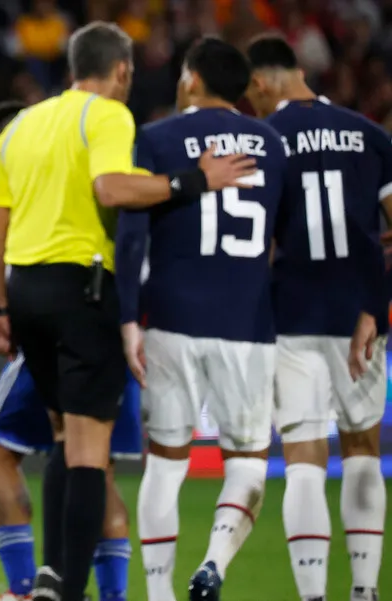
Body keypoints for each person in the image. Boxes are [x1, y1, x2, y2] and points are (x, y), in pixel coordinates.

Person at [0, 22, 254, 601]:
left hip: (24, 292)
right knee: (88, 452)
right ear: (122, 71)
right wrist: (193, 180)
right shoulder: (106, 115)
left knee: (61, 436)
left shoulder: (22, 123)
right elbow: (112, 189)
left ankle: (52, 577)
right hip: (82, 288)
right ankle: (69, 587)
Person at [116, 37, 287, 601]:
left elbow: (133, 233)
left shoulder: (159, 137)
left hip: (172, 317)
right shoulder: (272, 142)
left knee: (166, 463)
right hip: (248, 322)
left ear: (190, 78)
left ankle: (160, 593)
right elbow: (282, 239)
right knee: (248, 463)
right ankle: (213, 563)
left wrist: (128, 319)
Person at [0, 101, 143, 601]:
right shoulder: (84, 157)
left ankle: (29, 588)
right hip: (104, 315)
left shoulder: (28, 176)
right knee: (95, 462)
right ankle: (106, 593)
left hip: (55, 314)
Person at [246, 35, 390, 601]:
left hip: (294, 314)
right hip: (361, 319)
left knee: (304, 454)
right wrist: (376, 307)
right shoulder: (371, 135)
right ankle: (365, 590)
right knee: (362, 449)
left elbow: (253, 242)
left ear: (262, 83)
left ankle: (311, 596)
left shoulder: (266, 140)